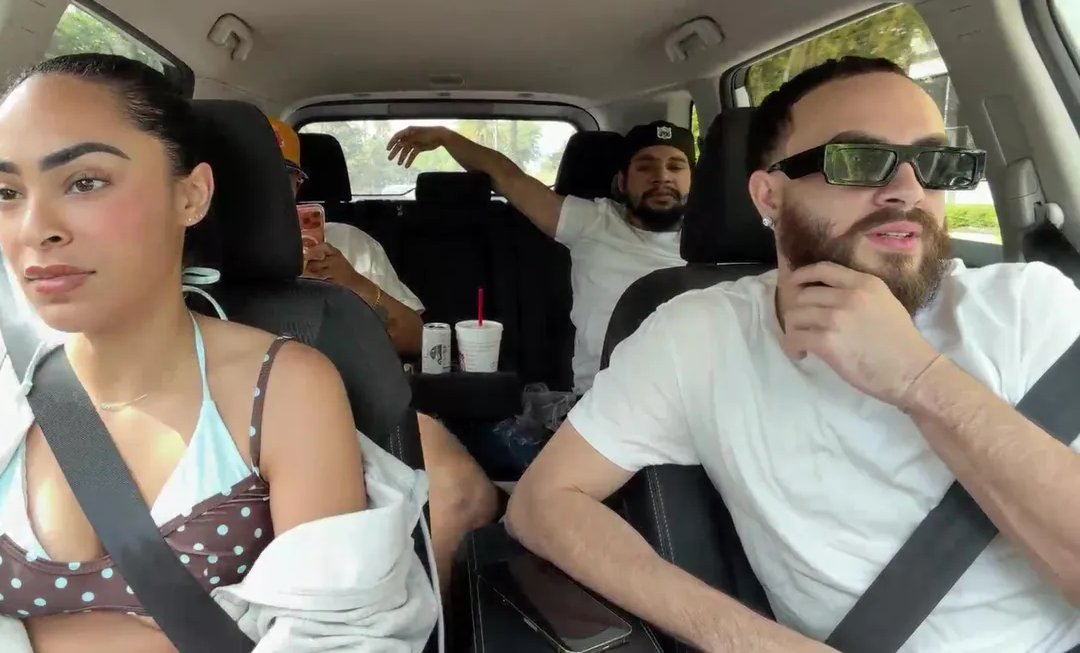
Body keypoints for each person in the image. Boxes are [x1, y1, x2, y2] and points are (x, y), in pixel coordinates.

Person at [0, 54, 437, 651]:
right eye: (6, 192)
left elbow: (340, 639)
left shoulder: (287, 388)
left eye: (85, 182)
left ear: (191, 196)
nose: (34, 228)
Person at [505, 56, 1080, 652]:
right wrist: (752, 642)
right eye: (858, 160)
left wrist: (919, 378)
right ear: (769, 195)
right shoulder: (698, 335)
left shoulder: (1029, 306)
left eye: (936, 164)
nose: (909, 191)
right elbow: (541, 503)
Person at [272, 118, 499, 593]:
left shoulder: (350, 243)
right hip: (239, 405)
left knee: (459, 493)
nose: (267, 186)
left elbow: (418, 339)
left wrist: (350, 282)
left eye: (285, 174)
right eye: (252, 173)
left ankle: (433, 622)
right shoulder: (185, 247)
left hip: (359, 406)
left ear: (299, 184)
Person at [386, 121, 694, 392]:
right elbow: (507, 177)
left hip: (694, 395)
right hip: (605, 400)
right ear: (623, 181)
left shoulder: (713, 242)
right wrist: (446, 137)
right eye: (645, 166)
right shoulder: (592, 221)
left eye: (676, 166)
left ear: (695, 179)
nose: (662, 176)